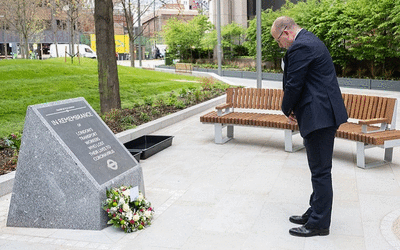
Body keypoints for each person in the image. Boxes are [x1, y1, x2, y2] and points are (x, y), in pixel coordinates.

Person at [271, 16, 348, 237]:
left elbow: (295, 83)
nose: (280, 45)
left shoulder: (301, 45)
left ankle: (318, 224)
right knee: (319, 170)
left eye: (278, 40)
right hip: (321, 113)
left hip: (320, 116)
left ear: (286, 32)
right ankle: (315, 211)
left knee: (321, 172)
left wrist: (286, 109)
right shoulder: (309, 40)